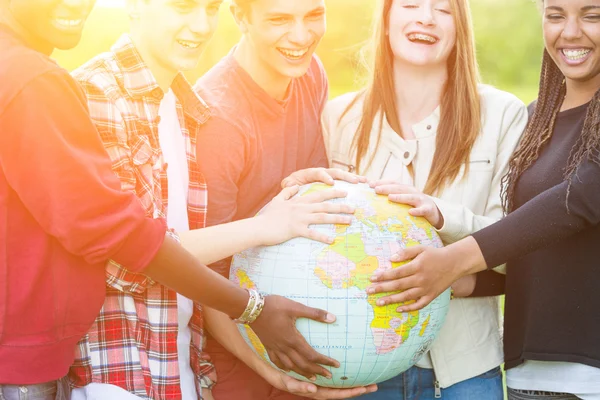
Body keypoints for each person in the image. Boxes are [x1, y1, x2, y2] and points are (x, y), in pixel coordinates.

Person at [0, 1, 358, 399]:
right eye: (183, 8)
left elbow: (189, 259)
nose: (201, 25)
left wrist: (274, 210)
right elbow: (121, 256)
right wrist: (261, 241)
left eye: (210, 8)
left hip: (178, 365)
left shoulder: (186, 108)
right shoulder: (95, 94)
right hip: (117, 374)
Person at [368, 0, 600, 399]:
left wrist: (451, 260)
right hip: (533, 374)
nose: (571, 31)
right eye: (556, 15)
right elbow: (530, 242)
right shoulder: (538, 118)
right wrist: (459, 282)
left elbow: (576, 201)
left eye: (593, 15)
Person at [320, 0, 527, 398]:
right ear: (385, 19)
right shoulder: (340, 118)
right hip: (363, 370)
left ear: (460, 27)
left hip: (466, 372)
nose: (426, 17)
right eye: (410, 3)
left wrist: (440, 215)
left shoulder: (503, 115)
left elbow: (518, 248)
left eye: (444, 9)